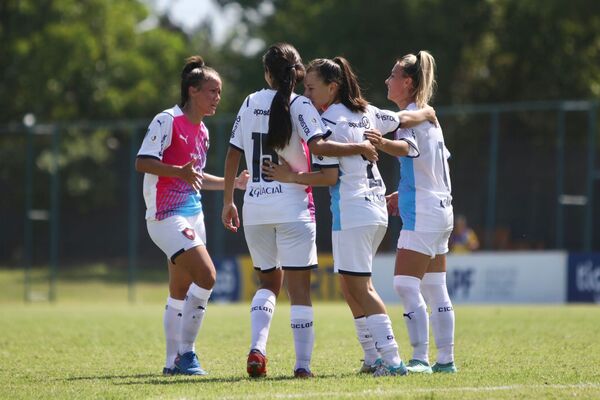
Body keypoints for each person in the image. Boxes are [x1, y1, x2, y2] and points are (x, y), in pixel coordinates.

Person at [264, 57, 435, 377]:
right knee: (350, 285)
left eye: (312, 88)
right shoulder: (367, 112)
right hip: (374, 212)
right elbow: (399, 118)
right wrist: (426, 112)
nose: (308, 94)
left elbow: (328, 178)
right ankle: (372, 357)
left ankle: (393, 360)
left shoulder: (327, 123)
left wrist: (290, 177)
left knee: (361, 288)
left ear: (333, 87)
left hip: (354, 212)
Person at [222, 43, 384, 379]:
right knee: (299, 290)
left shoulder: (251, 101)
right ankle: (302, 367)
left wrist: (228, 201)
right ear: (297, 72)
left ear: (267, 73)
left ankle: (258, 348)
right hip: (294, 206)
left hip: (255, 208)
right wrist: (360, 146)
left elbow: (233, 154)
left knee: (267, 283)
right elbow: (320, 147)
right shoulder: (302, 105)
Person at [135, 56, 249, 376]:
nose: (217, 98)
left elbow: (195, 177)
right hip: (165, 216)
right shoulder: (166, 120)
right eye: (212, 91)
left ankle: (172, 362)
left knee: (179, 292)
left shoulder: (203, 131)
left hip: (193, 215)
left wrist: (233, 184)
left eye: (219, 92)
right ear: (193, 90)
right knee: (208, 276)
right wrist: (177, 172)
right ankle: (187, 353)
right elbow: (143, 162)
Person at [367, 51, 457, 374]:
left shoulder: (411, 116)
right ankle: (445, 360)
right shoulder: (429, 117)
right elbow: (433, 165)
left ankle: (419, 358)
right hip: (441, 208)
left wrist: (381, 143)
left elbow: (406, 148)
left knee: (405, 285)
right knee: (435, 286)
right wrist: (400, 192)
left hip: (423, 212)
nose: (387, 81)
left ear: (407, 82)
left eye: (392, 75)